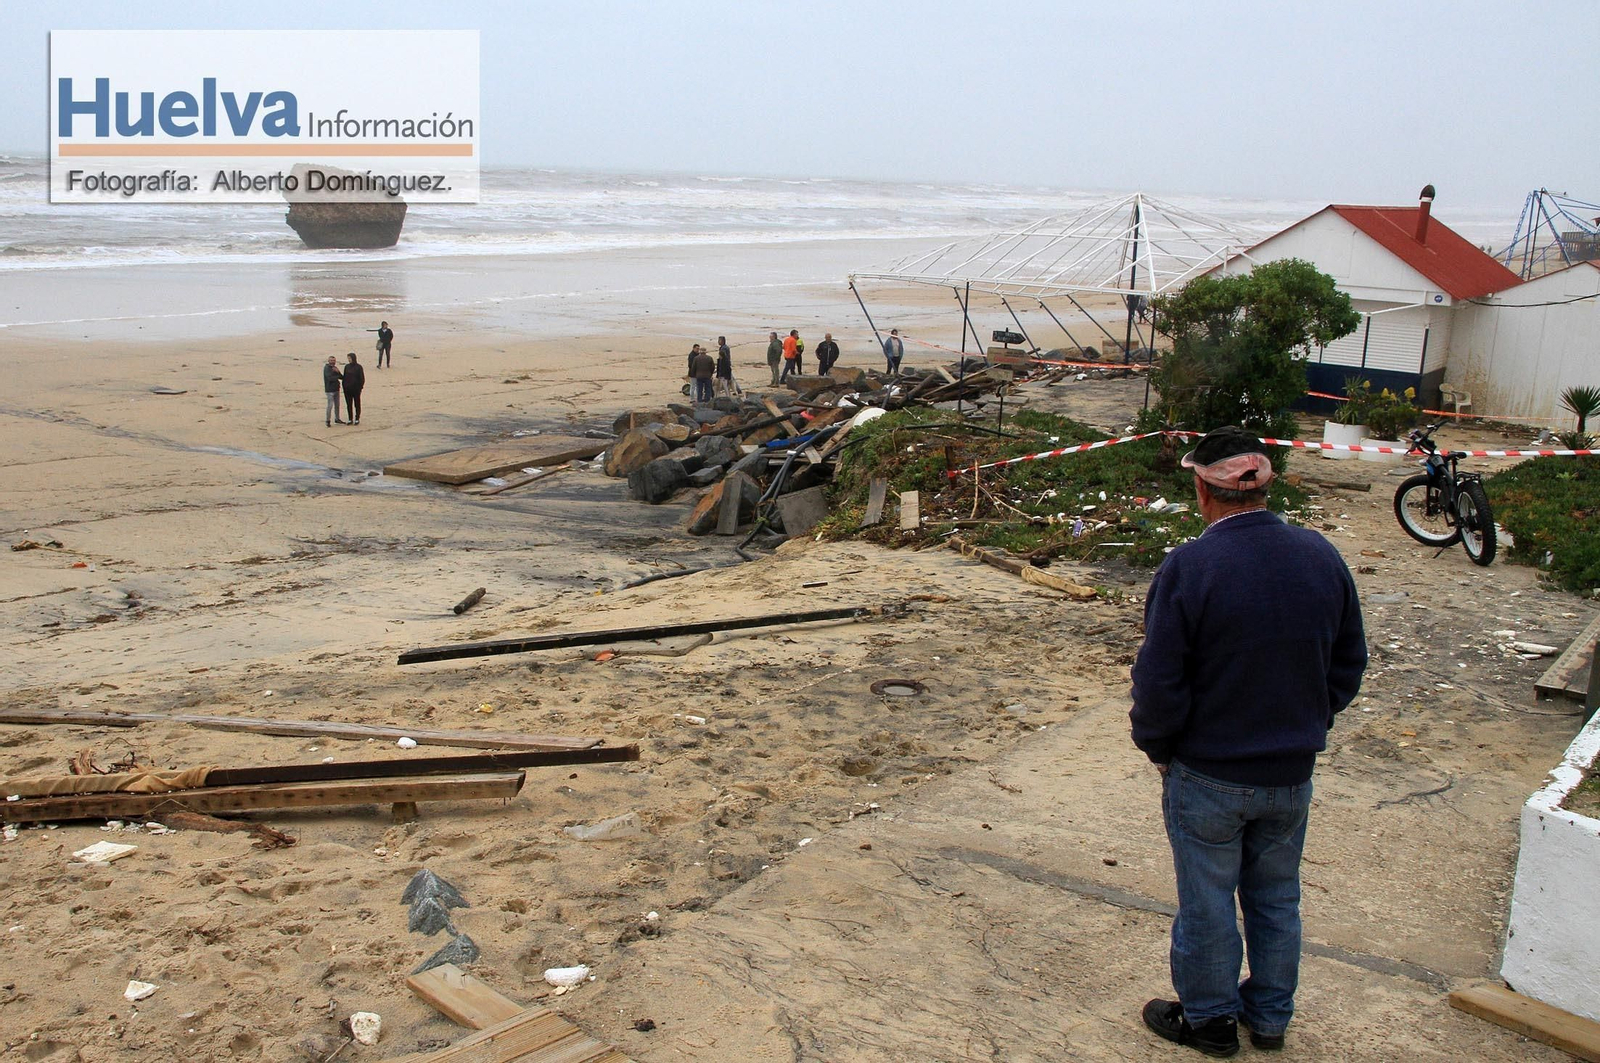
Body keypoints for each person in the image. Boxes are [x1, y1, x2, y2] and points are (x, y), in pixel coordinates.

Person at [1129, 426, 1367, 1057]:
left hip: (1209, 771)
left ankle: (1208, 1021)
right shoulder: (1320, 554)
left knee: (1206, 901)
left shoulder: (1191, 565)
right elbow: (1348, 661)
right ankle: (1268, 1020)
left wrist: (1158, 745)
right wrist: (1308, 721)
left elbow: (1160, 677)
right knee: (1276, 899)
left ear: (1203, 491)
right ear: (1264, 488)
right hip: (1290, 771)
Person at [342, 352, 366, 425]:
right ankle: (350, 419)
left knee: (357, 404)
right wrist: (344, 386)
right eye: (348, 358)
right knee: (349, 404)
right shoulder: (347, 367)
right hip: (347, 389)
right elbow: (344, 377)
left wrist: (360, 387)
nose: (349, 360)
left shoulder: (359, 367)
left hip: (356, 389)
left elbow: (362, 378)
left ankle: (357, 418)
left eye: (350, 358)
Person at [322, 356, 344, 427]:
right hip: (329, 390)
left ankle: (337, 418)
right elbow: (330, 378)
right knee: (330, 405)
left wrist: (337, 372)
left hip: (336, 389)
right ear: (328, 361)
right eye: (331, 360)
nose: (332, 362)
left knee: (337, 405)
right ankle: (328, 420)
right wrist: (336, 374)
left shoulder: (335, 368)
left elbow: (342, 377)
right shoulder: (326, 368)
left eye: (334, 360)